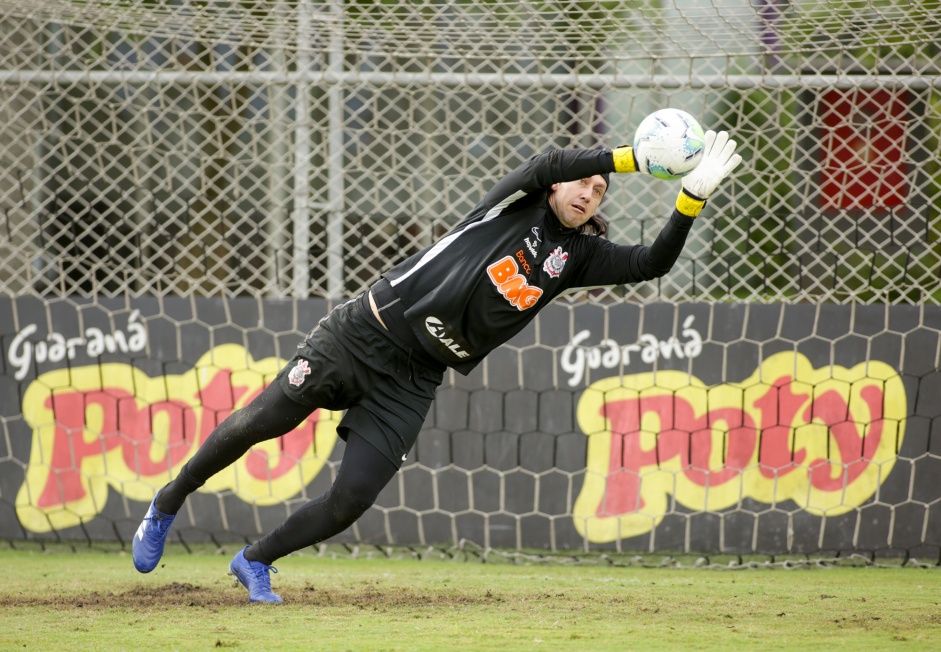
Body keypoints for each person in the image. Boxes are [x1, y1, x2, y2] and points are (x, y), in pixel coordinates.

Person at [133, 130, 742, 603]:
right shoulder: (513, 203)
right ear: (556, 189)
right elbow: (553, 160)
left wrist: (690, 198)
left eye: (600, 191)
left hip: (415, 375)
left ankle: (256, 560)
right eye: (582, 182)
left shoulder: (578, 256)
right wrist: (635, 156)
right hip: (365, 330)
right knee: (262, 422)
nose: (587, 192)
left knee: (352, 499)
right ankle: (169, 499)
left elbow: (651, 263)